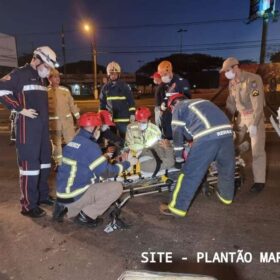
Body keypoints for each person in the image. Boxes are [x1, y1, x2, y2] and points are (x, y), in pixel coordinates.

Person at [0, 46, 57, 218]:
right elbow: (1, 90)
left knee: (45, 163)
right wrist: (19, 109)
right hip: (27, 129)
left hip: (41, 130)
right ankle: (28, 205)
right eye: (46, 65)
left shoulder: (41, 79)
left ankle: (41, 196)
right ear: (37, 59)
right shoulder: (20, 73)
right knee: (30, 167)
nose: (48, 71)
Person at [53, 112, 137, 227]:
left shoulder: (74, 141)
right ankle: (86, 216)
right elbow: (107, 172)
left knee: (97, 179)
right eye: (99, 128)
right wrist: (127, 164)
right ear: (94, 128)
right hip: (75, 198)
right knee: (116, 187)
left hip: (63, 195)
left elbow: (85, 163)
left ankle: (63, 206)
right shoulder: (91, 146)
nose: (100, 131)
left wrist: (105, 157)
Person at [160, 94, 235, 217]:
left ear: (172, 104)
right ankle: (226, 197)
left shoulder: (179, 107)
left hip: (207, 136)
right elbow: (191, 133)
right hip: (227, 132)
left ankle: (176, 208)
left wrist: (178, 156)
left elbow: (177, 134)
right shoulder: (203, 101)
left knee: (189, 174)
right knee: (226, 168)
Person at [220, 57, 266, 193]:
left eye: (227, 70)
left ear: (235, 67)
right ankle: (236, 165)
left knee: (257, 149)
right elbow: (230, 104)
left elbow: (258, 103)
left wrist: (254, 124)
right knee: (231, 143)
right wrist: (225, 121)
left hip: (254, 116)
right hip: (241, 117)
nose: (226, 74)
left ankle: (259, 181)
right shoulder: (232, 83)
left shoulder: (253, 80)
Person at [126, 107, 175, 176]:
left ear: (149, 120)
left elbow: (158, 144)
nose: (141, 124)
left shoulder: (154, 129)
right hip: (141, 153)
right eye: (139, 121)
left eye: (143, 122)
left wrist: (166, 146)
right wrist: (167, 148)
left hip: (154, 152)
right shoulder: (130, 127)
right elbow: (130, 144)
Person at [48, 68, 80, 167]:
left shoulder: (65, 90)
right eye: (55, 77)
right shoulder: (46, 91)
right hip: (54, 124)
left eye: (58, 77)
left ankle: (73, 162)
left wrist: (78, 118)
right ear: (49, 79)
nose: (57, 79)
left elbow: (72, 105)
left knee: (72, 142)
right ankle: (59, 164)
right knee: (56, 145)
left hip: (67, 123)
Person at [99, 61, 136, 139]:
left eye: (115, 74)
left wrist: (132, 113)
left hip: (124, 118)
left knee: (126, 138)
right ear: (108, 74)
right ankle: (113, 151)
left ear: (118, 74)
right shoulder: (105, 88)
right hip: (110, 119)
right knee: (112, 140)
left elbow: (131, 101)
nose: (113, 76)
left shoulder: (124, 86)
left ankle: (126, 151)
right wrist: (102, 116)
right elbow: (102, 103)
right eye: (112, 74)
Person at [157, 60, 191, 139]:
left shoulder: (181, 82)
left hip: (180, 113)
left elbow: (187, 98)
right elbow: (166, 96)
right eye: (161, 75)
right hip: (168, 113)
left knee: (180, 134)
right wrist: (163, 105)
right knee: (168, 134)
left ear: (170, 71)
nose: (163, 77)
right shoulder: (164, 83)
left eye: (164, 74)